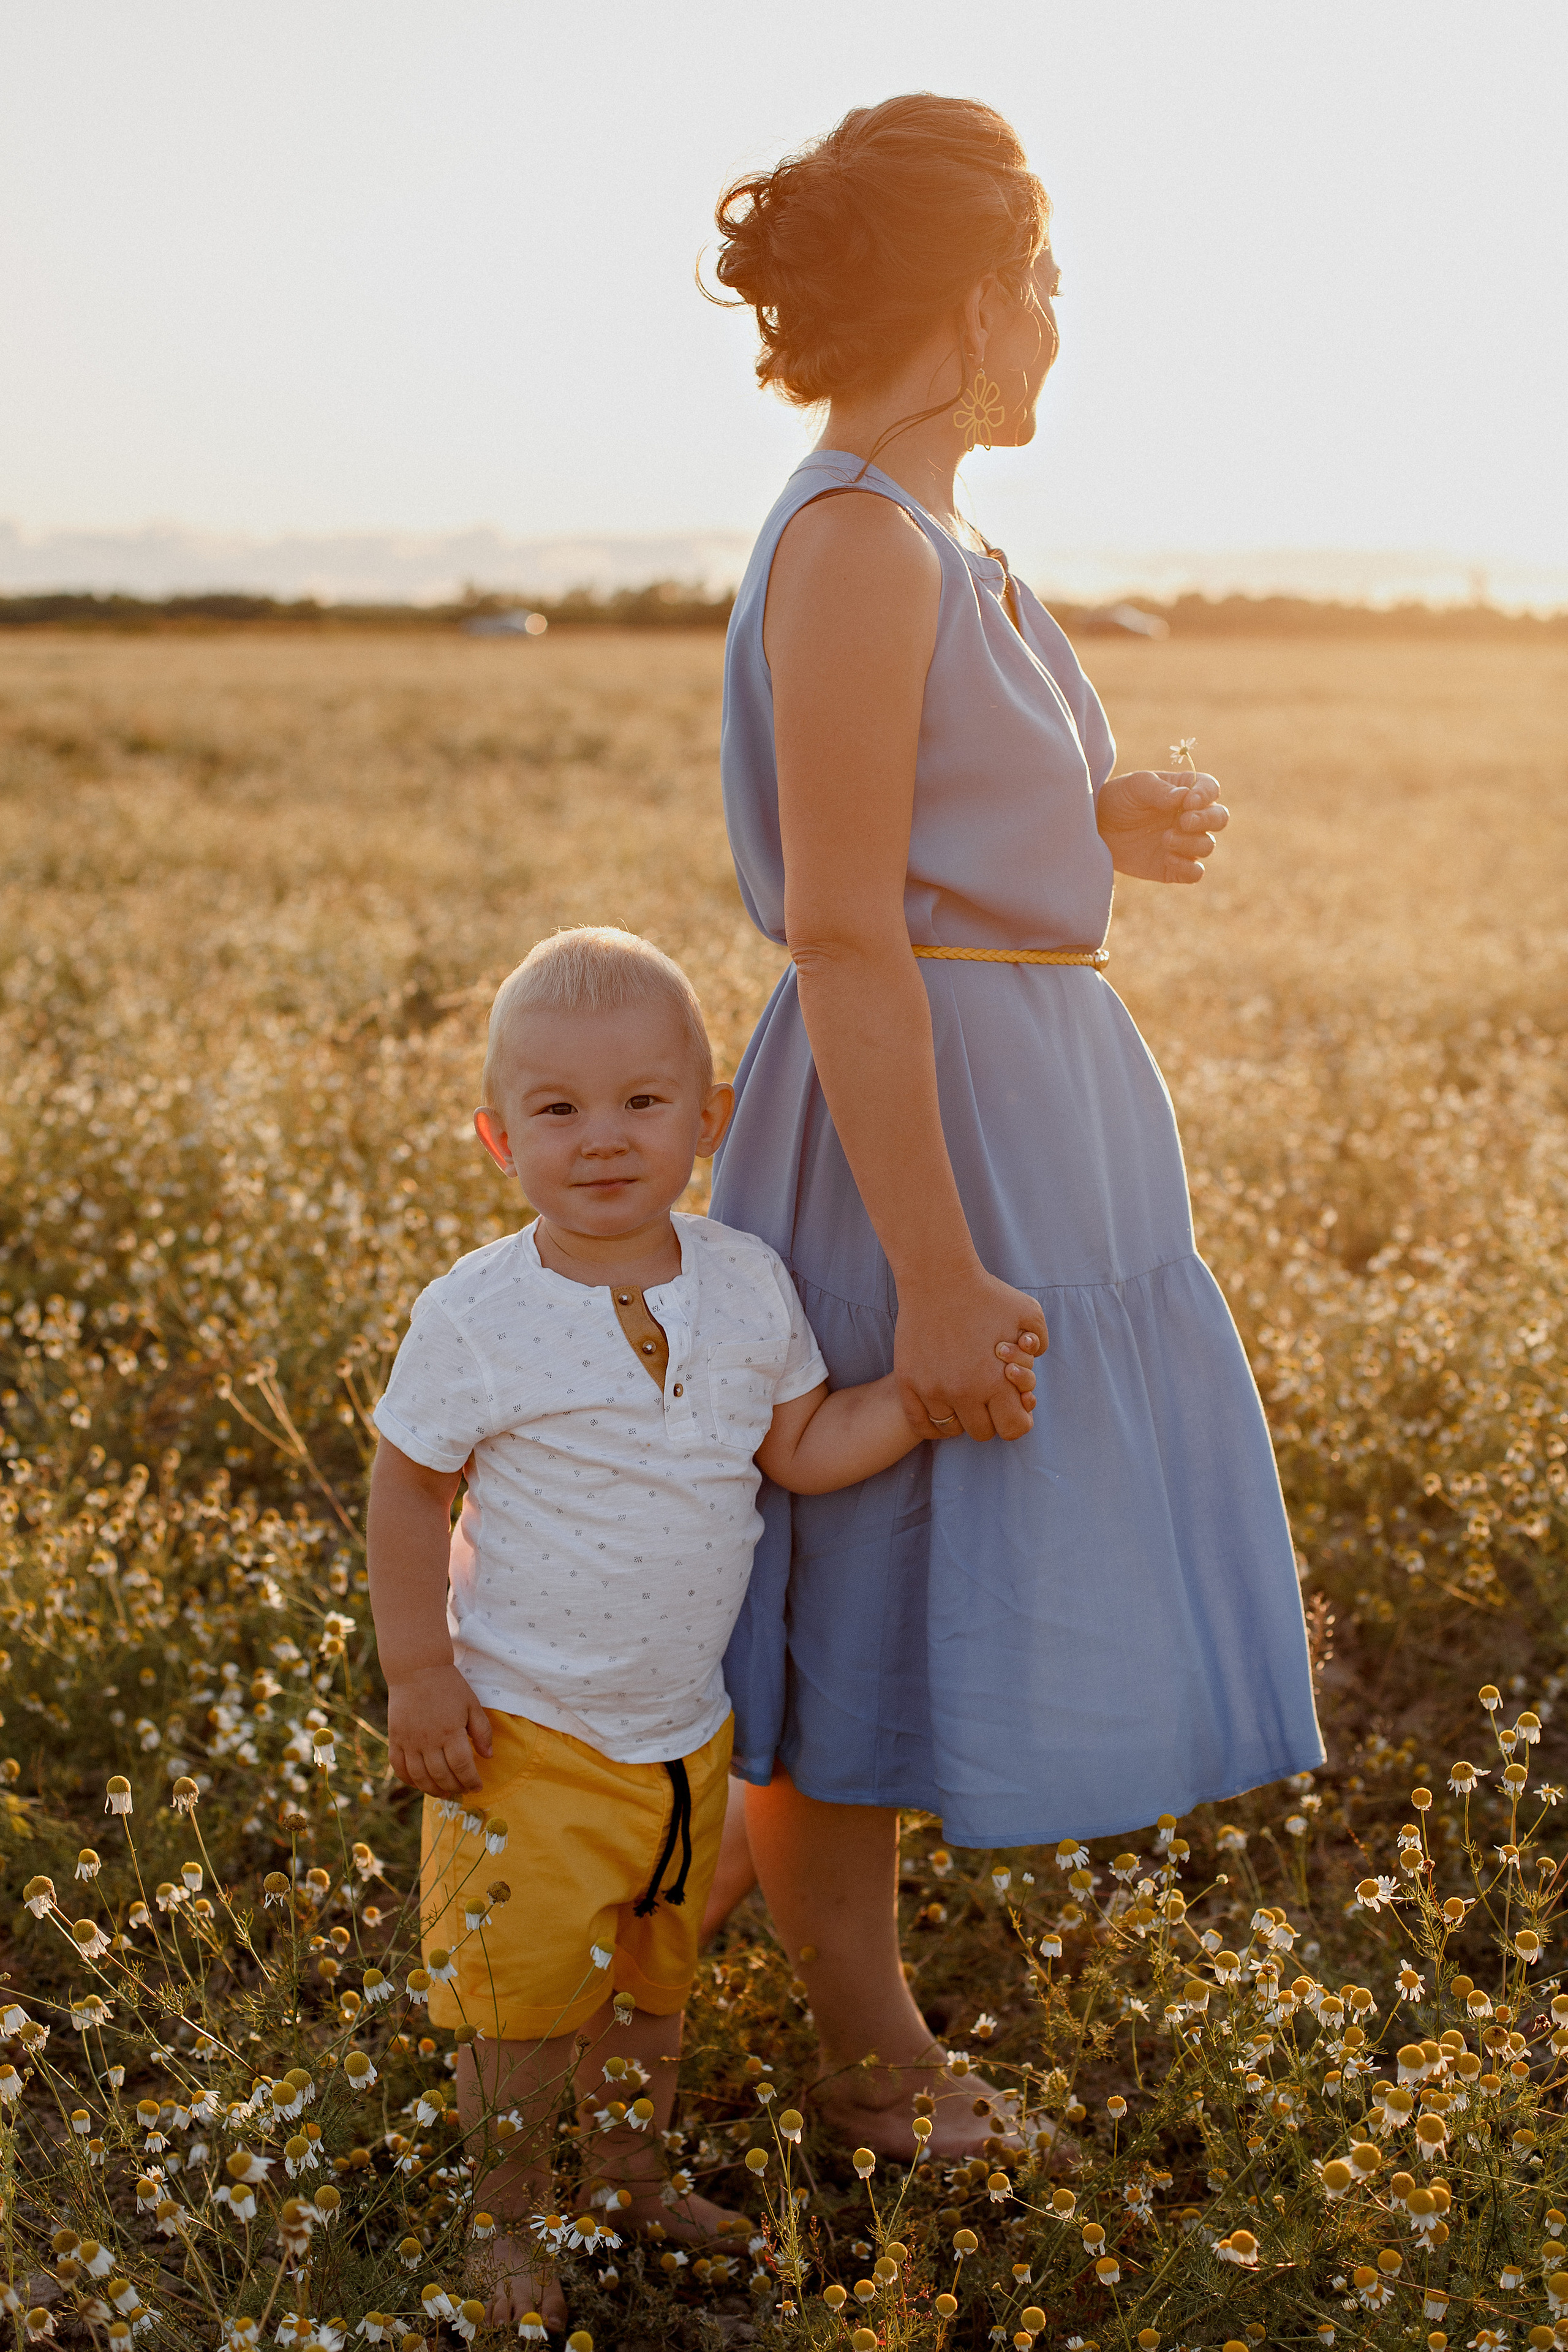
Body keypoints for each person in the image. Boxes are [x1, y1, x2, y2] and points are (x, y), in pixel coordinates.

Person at [704, 93, 1325, 2158]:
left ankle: (669, 1977)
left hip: (1011, 1093)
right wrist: (945, 1271)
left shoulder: (931, 536)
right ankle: (868, 2068)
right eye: (1046, 282)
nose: (1059, 321)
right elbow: (848, 928)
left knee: (913, 1547)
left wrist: (1092, 825)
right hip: (923, 1129)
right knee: (862, 1552)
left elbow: (929, 844)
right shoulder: (862, 543)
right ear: (977, 303)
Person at [365, 925, 1036, 2330]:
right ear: (497, 1135)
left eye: (641, 1103)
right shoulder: (478, 1314)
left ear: (708, 1118)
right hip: (524, 1737)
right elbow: (412, 1487)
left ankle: (624, 2183)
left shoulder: (743, 1281)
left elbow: (795, 1445)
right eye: (556, 1110)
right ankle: (505, 2224)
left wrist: (912, 1401)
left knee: (644, 2000)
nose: (601, 1139)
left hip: (682, 1735)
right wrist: (420, 1671)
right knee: (519, 2016)